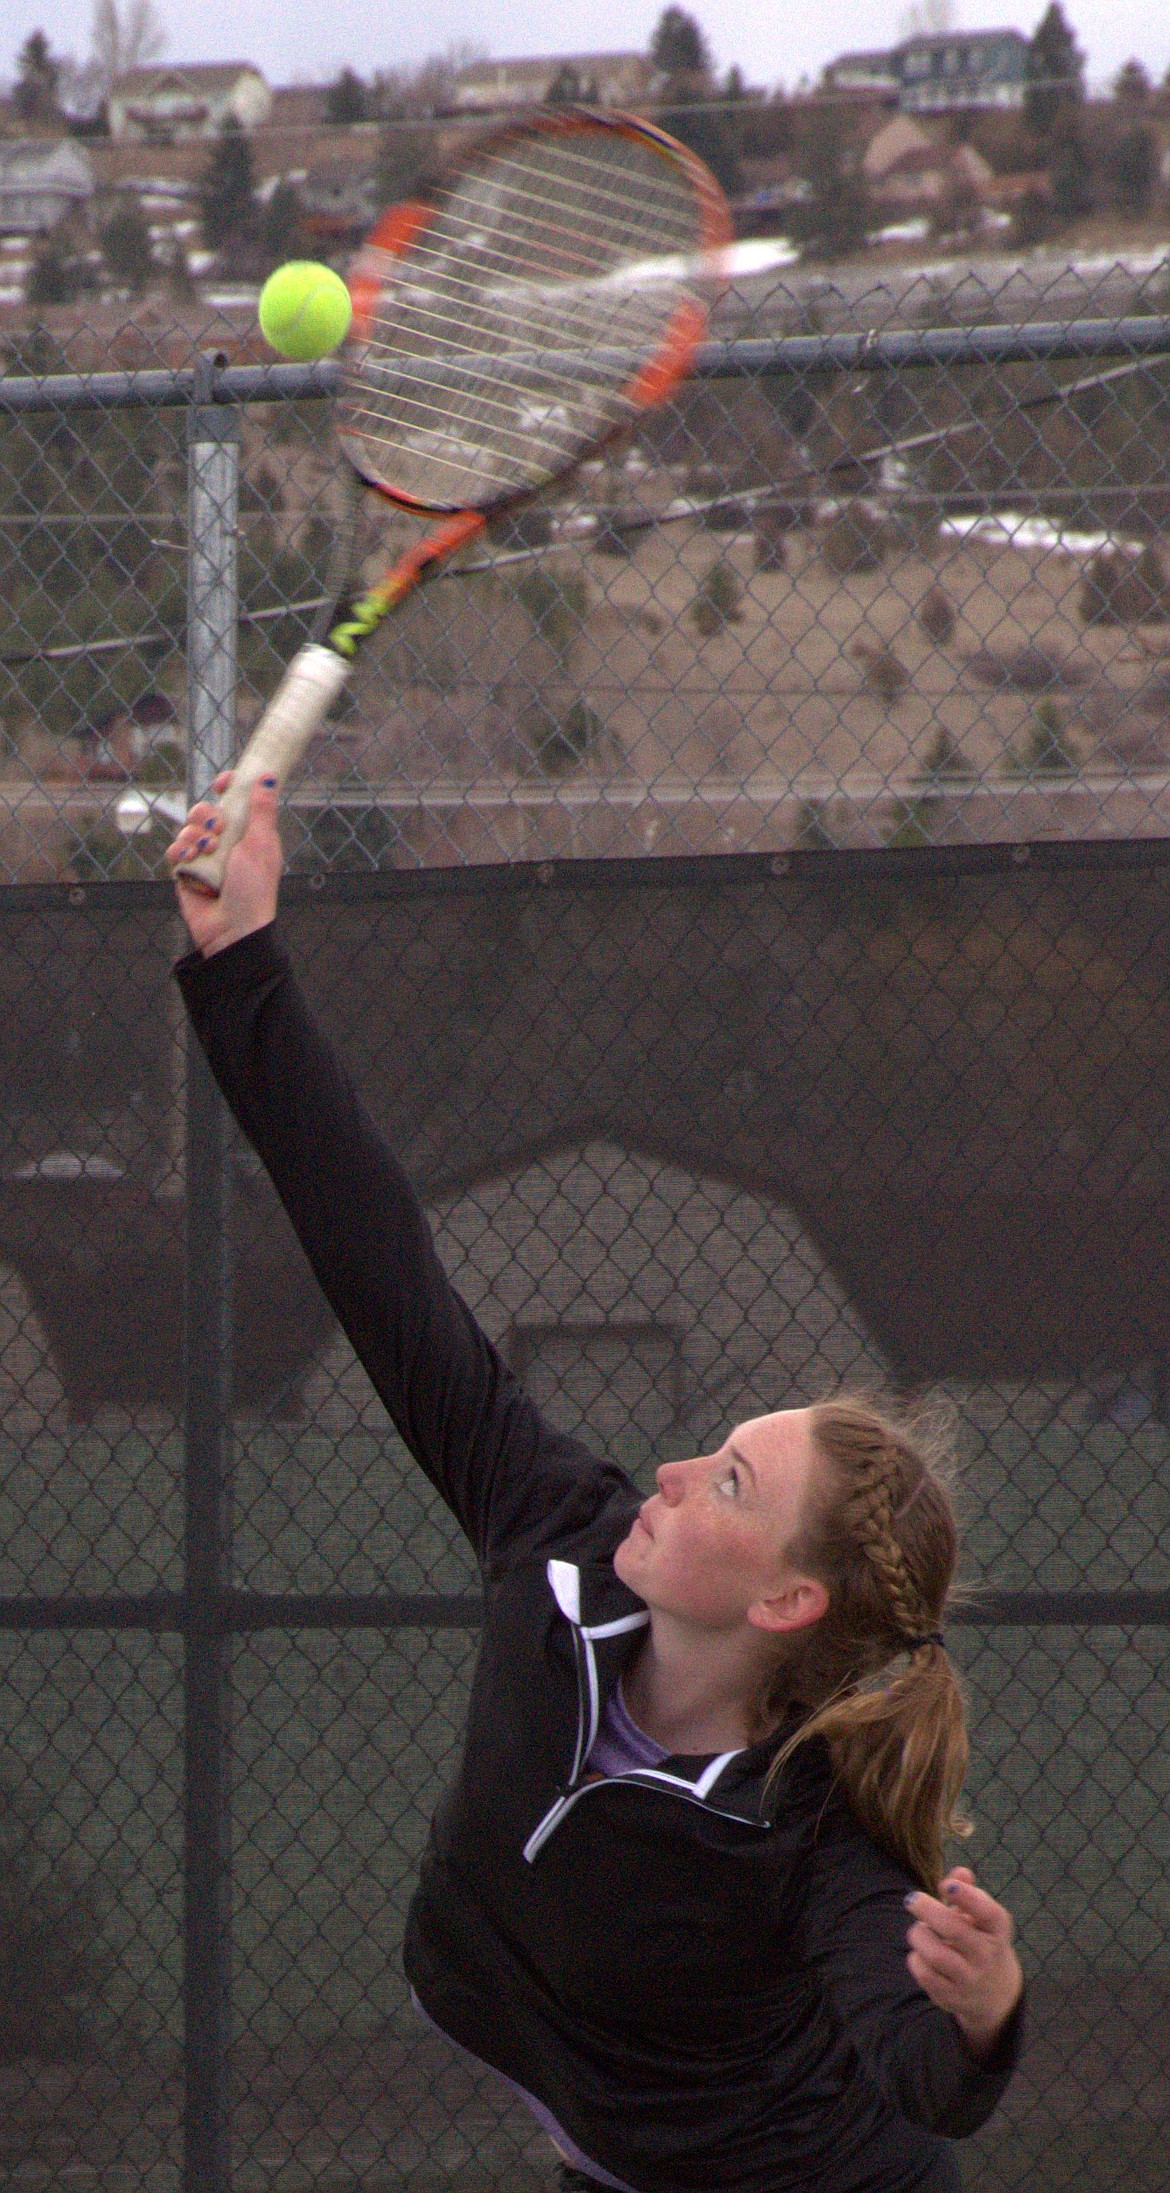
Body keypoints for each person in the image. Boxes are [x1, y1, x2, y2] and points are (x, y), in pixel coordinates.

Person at [169, 777, 1024, 2193]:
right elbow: (378, 1261)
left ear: (787, 1595)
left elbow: (923, 2071)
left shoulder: (813, 1828)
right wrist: (242, 956)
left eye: (730, 1482)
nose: (675, 1472)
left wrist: (983, 2010)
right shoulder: (551, 1528)